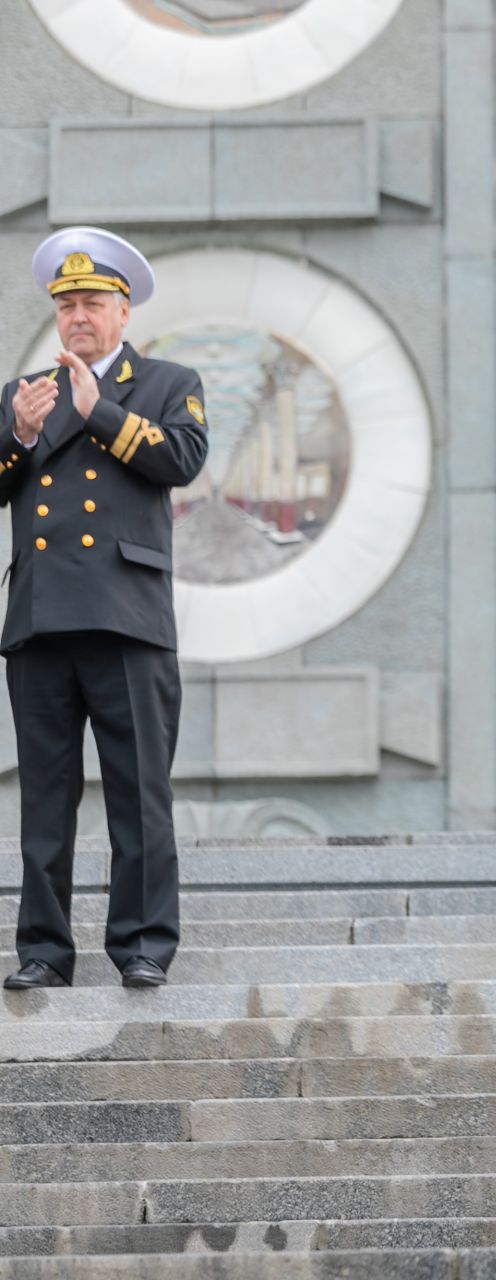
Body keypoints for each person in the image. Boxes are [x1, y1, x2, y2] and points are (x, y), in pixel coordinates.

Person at [0, 228, 210, 992]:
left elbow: (182, 458)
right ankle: (44, 951)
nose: (78, 316)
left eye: (92, 303)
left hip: (127, 619)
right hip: (41, 621)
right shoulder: (26, 394)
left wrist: (101, 412)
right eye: (67, 305)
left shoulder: (166, 382)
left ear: (124, 312)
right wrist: (20, 435)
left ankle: (144, 945)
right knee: (44, 801)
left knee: (139, 793)